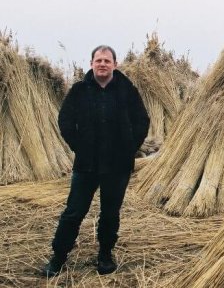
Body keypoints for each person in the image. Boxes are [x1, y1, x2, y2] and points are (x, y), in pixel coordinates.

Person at [42, 45, 149, 277]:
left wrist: (129, 149)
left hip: (117, 166)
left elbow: (142, 121)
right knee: (73, 212)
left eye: (107, 61)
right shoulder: (79, 90)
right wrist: (78, 146)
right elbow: (65, 120)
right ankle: (58, 257)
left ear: (115, 65)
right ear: (91, 63)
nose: (102, 64)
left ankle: (105, 255)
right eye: (98, 60)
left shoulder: (127, 90)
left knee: (110, 213)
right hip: (86, 164)